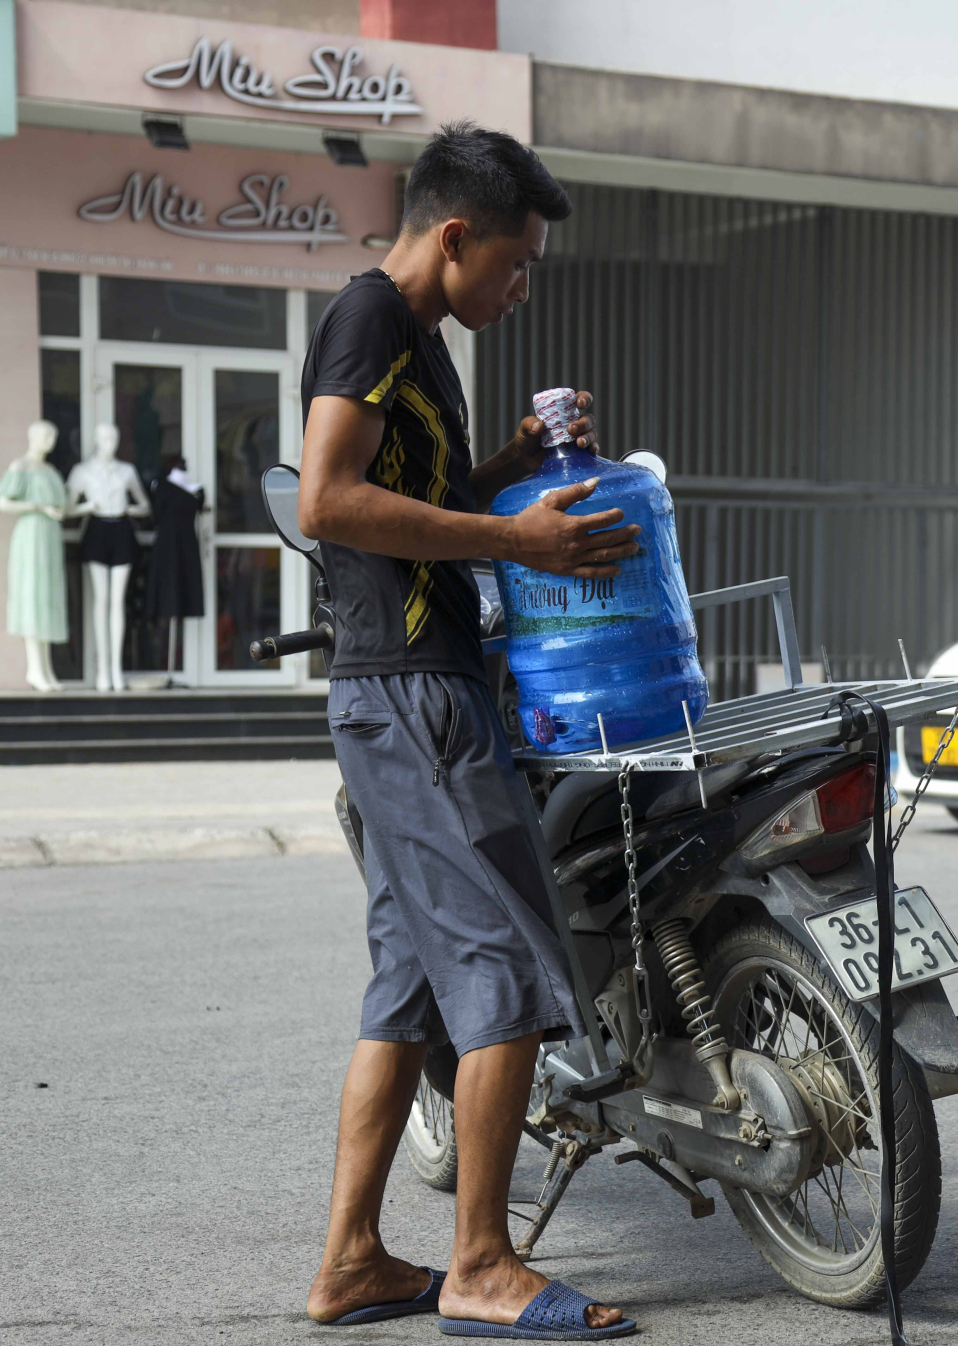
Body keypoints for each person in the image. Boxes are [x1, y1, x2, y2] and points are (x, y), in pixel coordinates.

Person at [298, 121, 642, 1338]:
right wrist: (516, 538)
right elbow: (327, 497)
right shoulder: (369, 320)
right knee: (500, 962)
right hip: (411, 692)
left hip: (403, 690)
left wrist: (505, 469)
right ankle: (483, 1264)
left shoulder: (420, 343)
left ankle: (349, 1260)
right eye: (513, 261)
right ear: (452, 237)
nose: (520, 284)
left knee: (413, 989)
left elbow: (412, 503)